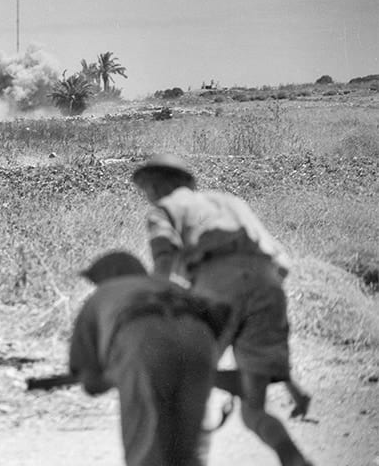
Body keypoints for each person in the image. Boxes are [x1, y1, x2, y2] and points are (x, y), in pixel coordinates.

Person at [132, 154, 313, 466]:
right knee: (253, 411)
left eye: (144, 187)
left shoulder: (163, 211)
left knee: (184, 382)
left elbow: (163, 269)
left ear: (154, 184)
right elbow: (281, 264)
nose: (145, 193)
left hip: (216, 287)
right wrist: (288, 382)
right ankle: (296, 461)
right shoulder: (231, 202)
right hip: (268, 284)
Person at [69, 250, 230, 466]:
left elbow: (90, 383)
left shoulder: (101, 295)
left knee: (146, 448)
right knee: (188, 453)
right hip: (200, 341)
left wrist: (116, 374)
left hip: (142, 342)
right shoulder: (172, 286)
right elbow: (220, 314)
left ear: (108, 276)